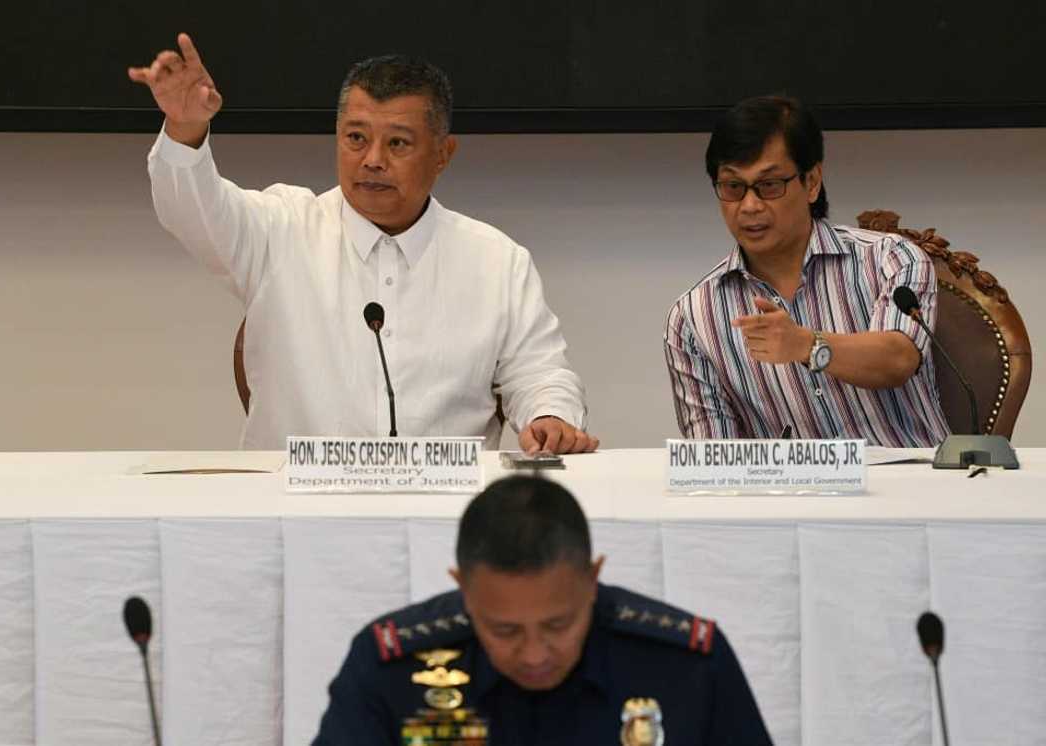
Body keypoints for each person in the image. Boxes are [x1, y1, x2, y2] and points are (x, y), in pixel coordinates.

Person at [127, 35, 597, 453]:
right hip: (293, 511)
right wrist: (185, 131)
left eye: (397, 144)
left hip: (446, 515)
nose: (372, 161)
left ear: (442, 154)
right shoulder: (282, 227)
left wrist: (549, 417)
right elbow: (193, 211)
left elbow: (540, 373)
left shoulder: (496, 260)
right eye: (356, 138)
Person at [313, 475, 773, 744]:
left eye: (558, 624)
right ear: (463, 590)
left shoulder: (684, 666)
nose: (535, 654)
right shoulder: (391, 666)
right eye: (504, 630)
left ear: (592, 580)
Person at [664, 95, 950, 447]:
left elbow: (898, 359)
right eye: (733, 187)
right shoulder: (693, 318)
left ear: (812, 181)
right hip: (789, 500)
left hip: (912, 489)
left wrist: (805, 345)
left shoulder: (890, 259)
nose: (749, 206)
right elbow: (714, 460)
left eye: (769, 185)